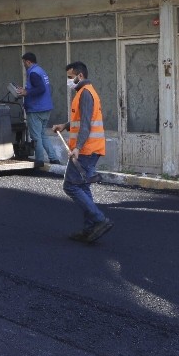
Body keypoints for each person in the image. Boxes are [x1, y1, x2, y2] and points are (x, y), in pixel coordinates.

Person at [52, 61, 113, 243]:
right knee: (83, 186)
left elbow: (86, 125)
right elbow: (82, 120)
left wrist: (77, 148)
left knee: (70, 186)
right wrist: (65, 125)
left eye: (70, 77)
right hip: (90, 147)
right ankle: (89, 229)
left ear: (80, 76)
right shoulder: (85, 93)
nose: (69, 81)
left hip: (86, 149)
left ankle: (100, 220)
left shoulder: (85, 94)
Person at [15, 52, 61, 169]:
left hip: (36, 109)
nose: (24, 65)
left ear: (28, 62)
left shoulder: (33, 72)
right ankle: (53, 158)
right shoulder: (40, 71)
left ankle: (39, 162)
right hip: (45, 108)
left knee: (36, 137)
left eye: (24, 62)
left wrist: (26, 92)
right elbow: (42, 88)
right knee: (42, 134)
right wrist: (25, 90)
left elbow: (40, 89)